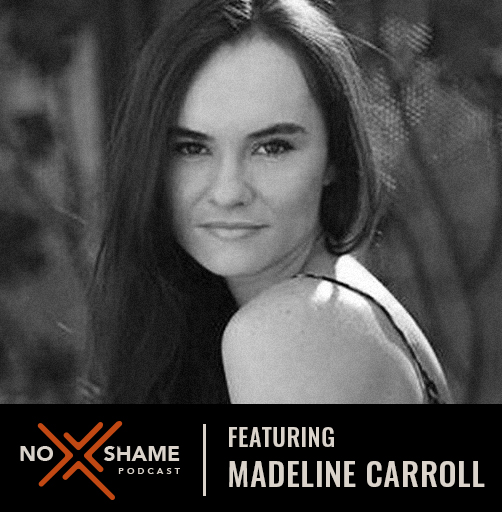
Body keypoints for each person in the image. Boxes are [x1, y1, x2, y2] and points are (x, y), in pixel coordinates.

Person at [90, 0, 452, 404]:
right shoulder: (341, 308)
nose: (228, 192)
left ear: (334, 156)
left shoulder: (287, 331)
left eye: (272, 148)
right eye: (192, 148)